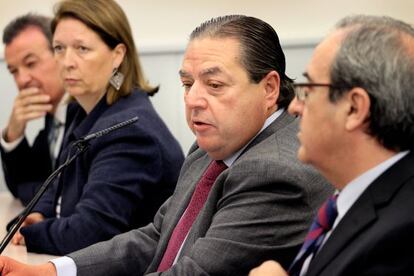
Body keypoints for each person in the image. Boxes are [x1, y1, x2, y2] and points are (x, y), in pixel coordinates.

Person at [0, 13, 332, 275]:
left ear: (270, 89)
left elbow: (193, 272)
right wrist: (52, 271)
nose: (194, 100)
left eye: (214, 84)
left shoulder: (272, 171)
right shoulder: (212, 144)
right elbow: (158, 234)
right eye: (187, 83)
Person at [7, 0, 184, 255]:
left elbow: (88, 233)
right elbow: (56, 184)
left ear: (118, 55)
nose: (67, 61)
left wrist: (26, 233)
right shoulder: (81, 111)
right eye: (58, 48)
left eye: (82, 49)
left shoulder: (128, 130)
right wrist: (38, 212)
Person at [249, 15, 414, 276]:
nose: (294, 106)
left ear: (354, 108)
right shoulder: (349, 198)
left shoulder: (402, 236)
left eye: (308, 89)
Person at [0, 14, 74, 206]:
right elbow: (21, 184)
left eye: (30, 63)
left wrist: (37, 191)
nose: (22, 79)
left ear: (61, 55)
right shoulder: (53, 116)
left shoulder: (87, 112)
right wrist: (13, 133)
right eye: (13, 71)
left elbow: (61, 197)